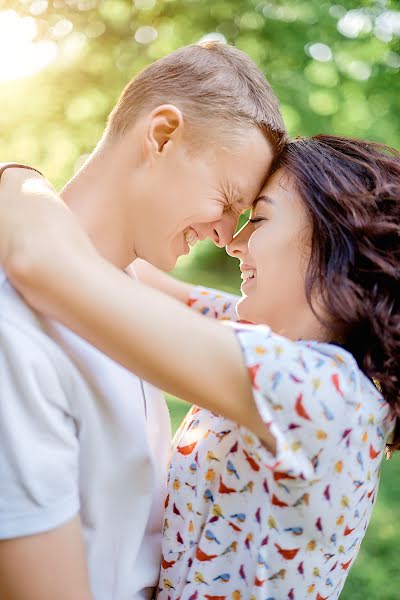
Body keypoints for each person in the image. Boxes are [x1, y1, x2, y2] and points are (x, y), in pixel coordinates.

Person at [1, 135, 398, 599]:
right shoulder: (271, 340)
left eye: (261, 218)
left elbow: (50, 268)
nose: (235, 241)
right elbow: (119, 271)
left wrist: (16, 174)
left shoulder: (326, 393)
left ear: (336, 235)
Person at [0, 41, 286, 600]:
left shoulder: (130, 299)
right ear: (161, 135)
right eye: (227, 201)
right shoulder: (18, 334)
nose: (229, 239)